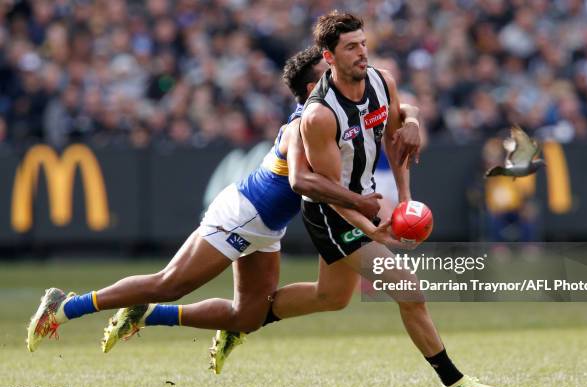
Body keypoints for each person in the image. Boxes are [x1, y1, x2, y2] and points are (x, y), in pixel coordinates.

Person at [219, 11, 505, 387]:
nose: (362, 53)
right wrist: (371, 229)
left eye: (363, 44)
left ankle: (244, 321)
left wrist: (406, 200)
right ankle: (455, 383)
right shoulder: (320, 114)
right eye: (351, 47)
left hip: (360, 201)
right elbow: (329, 190)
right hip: (330, 211)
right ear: (330, 56)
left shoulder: (381, 81)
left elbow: (396, 143)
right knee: (408, 289)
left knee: (331, 297)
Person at [25, 46, 383, 355]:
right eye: (327, 74)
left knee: (248, 318)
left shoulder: (326, 118)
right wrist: (362, 208)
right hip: (242, 214)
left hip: (267, 227)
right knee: (170, 284)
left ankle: (147, 314)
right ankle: (65, 306)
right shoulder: (303, 123)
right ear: (311, 87)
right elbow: (303, 183)